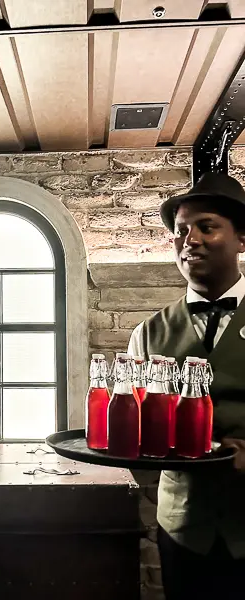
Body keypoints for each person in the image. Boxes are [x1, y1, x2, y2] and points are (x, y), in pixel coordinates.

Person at [128, 171, 245, 600]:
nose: (188, 239)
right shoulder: (148, 333)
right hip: (182, 527)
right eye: (180, 231)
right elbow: (138, 425)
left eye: (206, 226)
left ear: (242, 239)